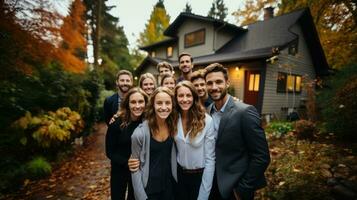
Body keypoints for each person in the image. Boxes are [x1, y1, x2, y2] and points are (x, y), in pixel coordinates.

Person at [204, 63, 270, 200]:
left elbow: (261, 156)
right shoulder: (207, 112)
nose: (214, 87)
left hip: (235, 189)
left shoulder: (245, 112)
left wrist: (242, 188)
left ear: (227, 83)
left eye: (218, 82)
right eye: (209, 83)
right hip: (211, 185)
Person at [131, 87, 178, 200]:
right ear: (153, 105)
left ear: (172, 105)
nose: (163, 107)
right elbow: (134, 169)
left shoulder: (174, 126)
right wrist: (141, 197)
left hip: (170, 188)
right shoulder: (139, 133)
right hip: (149, 190)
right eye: (159, 103)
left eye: (167, 103)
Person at [174, 81, 215, 200]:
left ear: (194, 97)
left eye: (188, 95)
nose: (185, 99)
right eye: (180, 95)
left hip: (199, 176)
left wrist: (204, 193)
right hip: (179, 175)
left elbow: (210, 159)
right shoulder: (173, 118)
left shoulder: (206, 121)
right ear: (176, 98)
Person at [105, 88, 148, 200]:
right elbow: (109, 151)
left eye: (141, 102)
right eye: (133, 102)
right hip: (119, 169)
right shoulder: (117, 123)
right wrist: (126, 162)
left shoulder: (148, 123)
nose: (137, 106)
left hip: (139, 171)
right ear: (127, 104)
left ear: (146, 103)